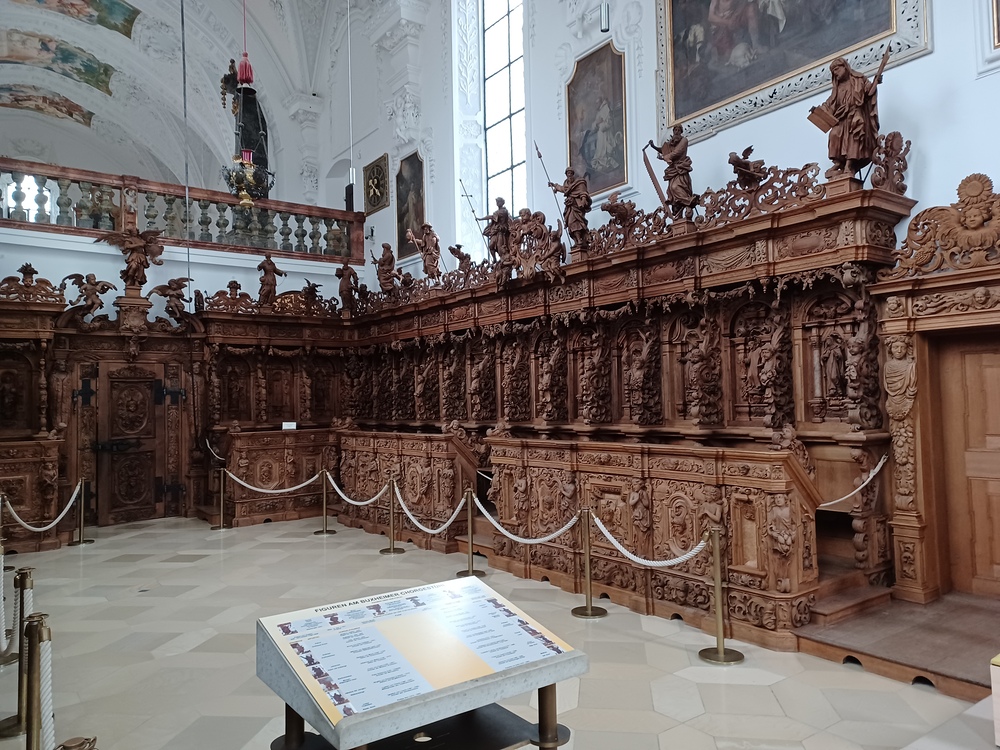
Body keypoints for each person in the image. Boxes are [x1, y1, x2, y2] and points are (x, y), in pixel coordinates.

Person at [817, 57, 879, 177]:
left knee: (854, 132)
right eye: (833, 71)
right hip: (841, 117)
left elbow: (869, 91)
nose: (835, 73)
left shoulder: (859, 79)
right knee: (834, 133)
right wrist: (820, 110)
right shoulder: (837, 87)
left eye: (837, 69)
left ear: (845, 67)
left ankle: (849, 164)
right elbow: (830, 102)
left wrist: (876, 82)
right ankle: (838, 162)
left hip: (855, 114)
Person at [649, 125, 699, 219]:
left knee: (676, 187)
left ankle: (688, 202)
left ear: (681, 132)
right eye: (675, 130)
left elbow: (677, 152)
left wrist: (665, 157)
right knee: (672, 190)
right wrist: (653, 146)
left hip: (681, 168)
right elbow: (664, 150)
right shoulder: (671, 142)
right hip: (673, 170)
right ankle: (678, 211)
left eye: (678, 130)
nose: (676, 132)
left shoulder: (684, 140)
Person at [549, 168, 592, 251]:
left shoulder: (579, 182)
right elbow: (563, 189)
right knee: (570, 223)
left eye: (571, 173)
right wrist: (554, 186)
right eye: (568, 173)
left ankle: (579, 240)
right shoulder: (566, 184)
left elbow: (583, 192)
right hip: (570, 207)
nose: (569, 175)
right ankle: (576, 241)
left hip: (577, 206)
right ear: (566, 175)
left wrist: (583, 199)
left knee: (576, 222)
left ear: (573, 174)